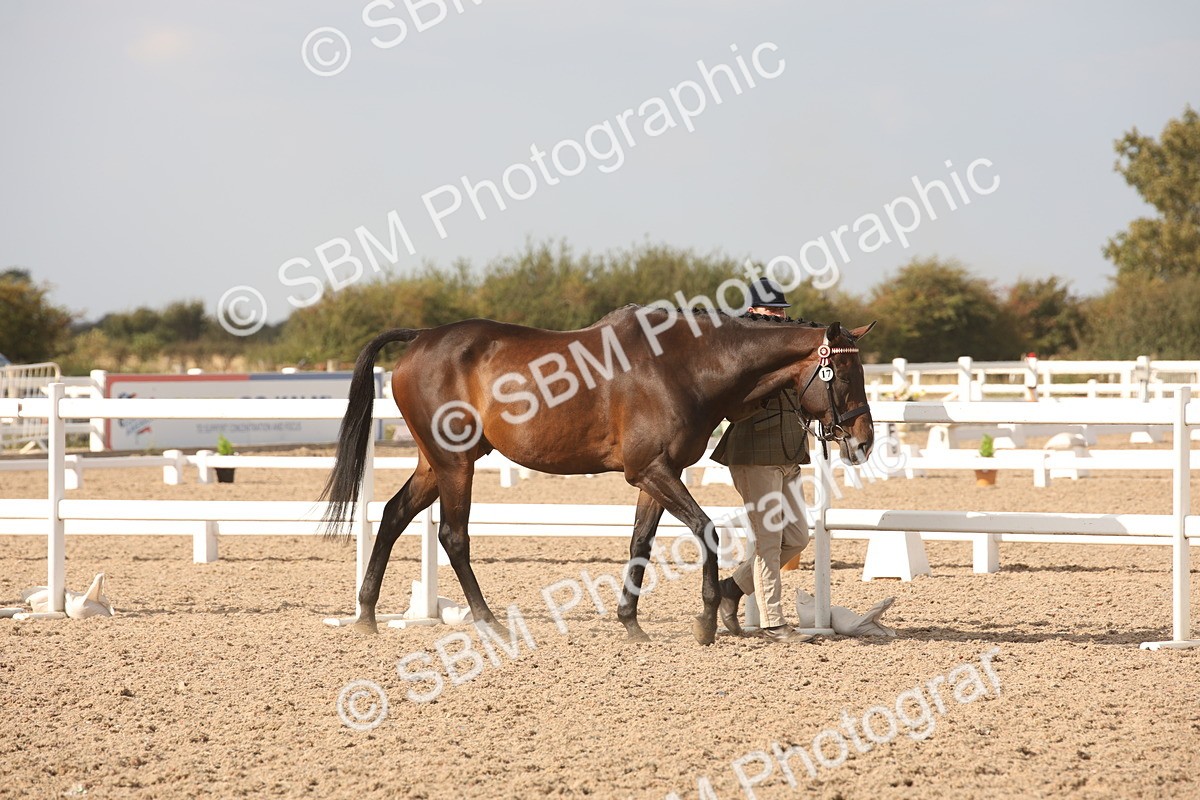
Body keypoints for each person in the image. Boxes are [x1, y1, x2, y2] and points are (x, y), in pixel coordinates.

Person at [711, 278, 813, 643]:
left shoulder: (790, 346)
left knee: (797, 538)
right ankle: (773, 623)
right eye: (770, 310)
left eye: (780, 310)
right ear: (752, 311)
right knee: (768, 541)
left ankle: (730, 589)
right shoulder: (741, 350)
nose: (777, 316)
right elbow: (733, 402)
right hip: (754, 454)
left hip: (789, 452)